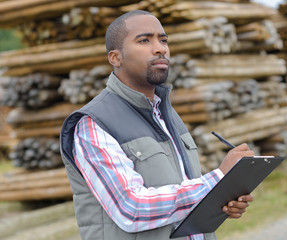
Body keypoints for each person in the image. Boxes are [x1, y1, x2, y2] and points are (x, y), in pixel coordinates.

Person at [60, 10, 254, 240]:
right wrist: (217, 178)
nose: (160, 48)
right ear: (115, 58)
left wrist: (220, 199)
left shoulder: (166, 115)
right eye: (144, 40)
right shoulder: (93, 124)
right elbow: (132, 209)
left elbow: (181, 194)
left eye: (163, 40)